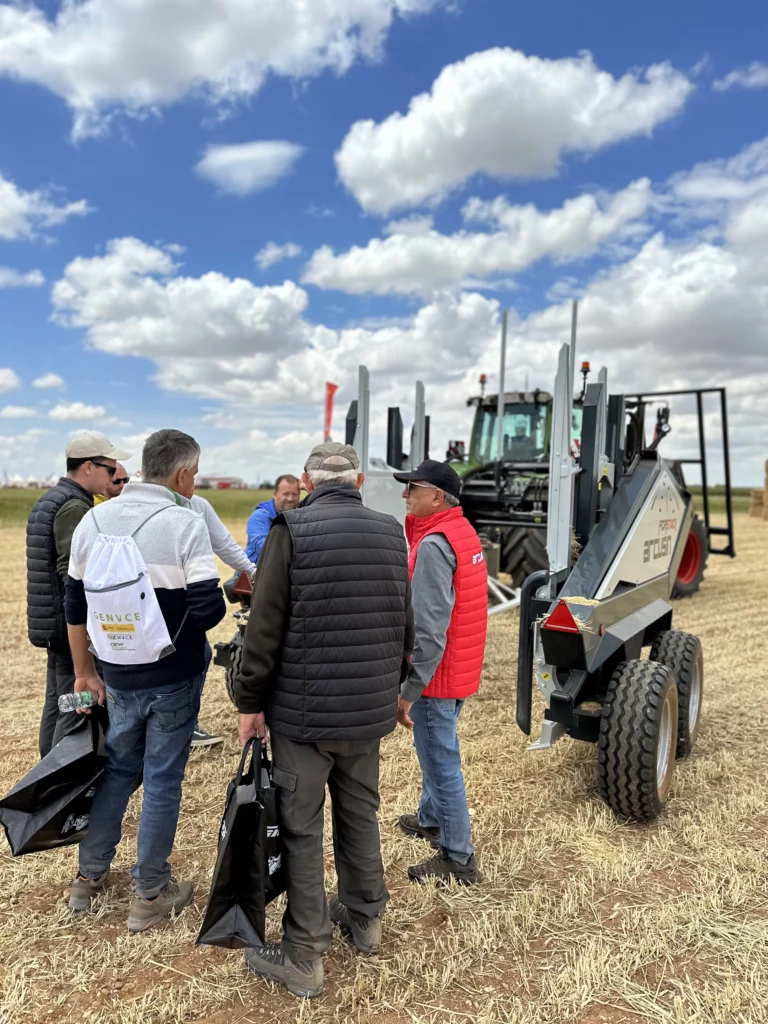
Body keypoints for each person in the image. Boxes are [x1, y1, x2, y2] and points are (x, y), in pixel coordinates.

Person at [235, 442, 414, 999]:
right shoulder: (391, 532)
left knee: (302, 826)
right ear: (357, 480)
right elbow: (402, 619)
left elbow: (262, 630)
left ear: (309, 484)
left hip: (304, 719)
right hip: (367, 712)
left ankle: (305, 953)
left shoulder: (291, 531)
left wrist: (249, 701)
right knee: (361, 813)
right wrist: (397, 688)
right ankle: (366, 920)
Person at [64, 429, 226, 932]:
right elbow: (207, 608)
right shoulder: (184, 522)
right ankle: (149, 894)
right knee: (161, 780)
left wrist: (84, 670)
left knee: (117, 769)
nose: (194, 482)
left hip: (115, 672)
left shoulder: (93, 519)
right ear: (181, 475)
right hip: (173, 675)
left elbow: (74, 603)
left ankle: (87, 878)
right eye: (195, 474)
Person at [392, 459, 487, 886]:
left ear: (436, 496)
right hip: (459, 666)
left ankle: (457, 855)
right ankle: (431, 818)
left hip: (437, 674)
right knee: (437, 751)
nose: (404, 494)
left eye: (411, 487)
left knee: (440, 760)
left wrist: (411, 687)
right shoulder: (461, 532)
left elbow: (429, 628)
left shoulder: (433, 544)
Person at [27, 430, 131, 758]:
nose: (114, 476)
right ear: (88, 467)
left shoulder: (53, 498)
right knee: (75, 708)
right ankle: (58, 787)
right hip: (66, 625)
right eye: (110, 469)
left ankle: (45, 779)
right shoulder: (74, 506)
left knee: (58, 703)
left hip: (51, 622)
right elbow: (74, 574)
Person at [188, 493, 256, 747]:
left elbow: (225, 544)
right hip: (165, 599)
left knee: (200, 656)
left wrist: (253, 571)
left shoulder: (198, 504)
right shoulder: (193, 507)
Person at [245, 474, 300, 564]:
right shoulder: (260, 516)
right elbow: (264, 548)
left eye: (295, 494)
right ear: (275, 494)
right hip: (254, 575)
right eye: (286, 494)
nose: (290, 499)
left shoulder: (301, 514)